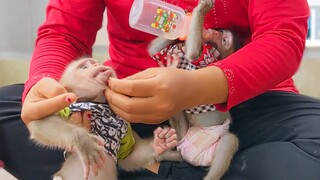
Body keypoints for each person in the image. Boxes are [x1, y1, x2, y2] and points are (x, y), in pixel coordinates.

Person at [0, 0, 320, 179]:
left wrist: (200, 87)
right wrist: (42, 92)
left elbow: (281, 37)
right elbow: (64, 33)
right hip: (123, 108)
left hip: (248, 106)